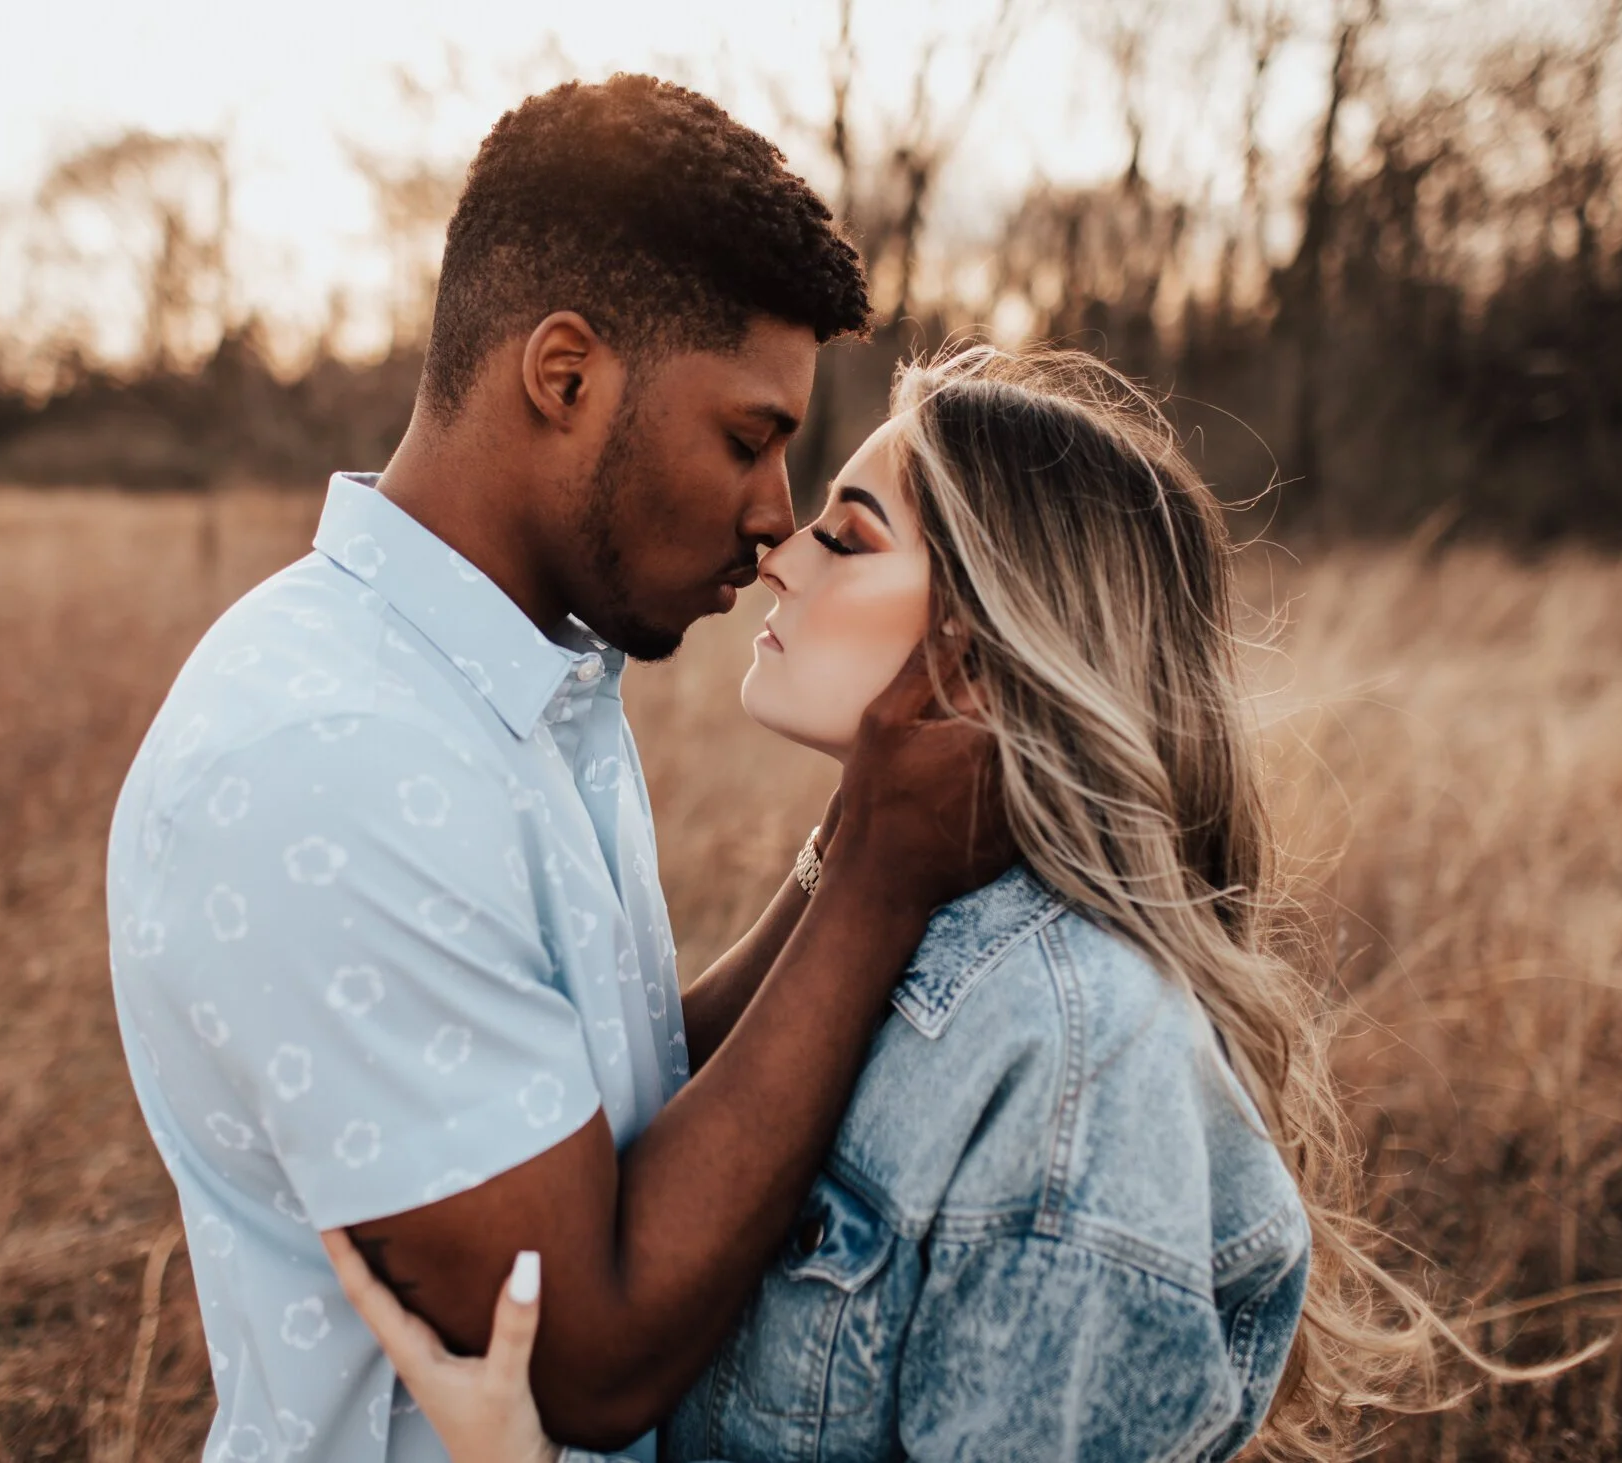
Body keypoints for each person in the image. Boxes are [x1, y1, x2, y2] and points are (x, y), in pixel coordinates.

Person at [324, 346, 1561, 1461]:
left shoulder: (1079, 1057)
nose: (775, 556)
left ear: (985, 640)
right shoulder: (893, 941)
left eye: (847, 538)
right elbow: (636, 1107)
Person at [105, 77, 1013, 1463]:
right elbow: (587, 1354)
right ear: (566, 375)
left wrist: (848, 840)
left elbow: (621, 1111)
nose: (777, 514)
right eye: (749, 437)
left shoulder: (511, 680)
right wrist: (880, 880)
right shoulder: (329, 759)